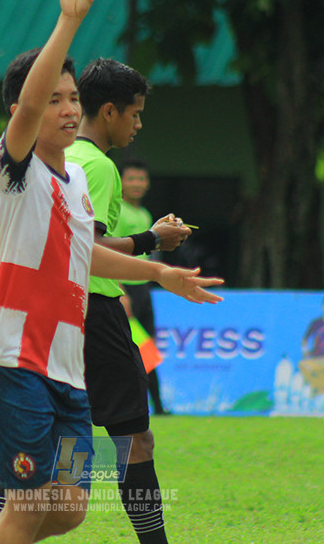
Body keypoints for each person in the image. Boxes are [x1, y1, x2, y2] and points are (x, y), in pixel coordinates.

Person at [0, 0, 222, 544]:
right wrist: (69, 22)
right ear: (23, 112)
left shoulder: (77, 180)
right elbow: (29, 105)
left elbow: (84, 254)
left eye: (72, 100)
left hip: (67, 370)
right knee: (29, 506)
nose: (66, 108)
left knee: (69, 508)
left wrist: (158, 271)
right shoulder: (15, 169)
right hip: (15, 363)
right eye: (55, 99)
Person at [65, 59, 191, 544]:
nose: (138, 125)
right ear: (111, 111)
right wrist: (152, 241)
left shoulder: (63, 157)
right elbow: (87, 250)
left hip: (58, 312)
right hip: (94, 311)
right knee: (134, 439)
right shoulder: (97, 165)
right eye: (135, 114)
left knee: (47, 438)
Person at [114, 158, 167, 415]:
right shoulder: (118, 211)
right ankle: (130, 408)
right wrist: (121, 292)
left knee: (148, 349)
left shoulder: (145, 214)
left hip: (143, 289)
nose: (136, 184)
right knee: (128, 353)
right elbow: (109, 254)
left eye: (141, 179)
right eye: (131, 178)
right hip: (124, 290)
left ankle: (157, 406)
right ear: (121, 182)